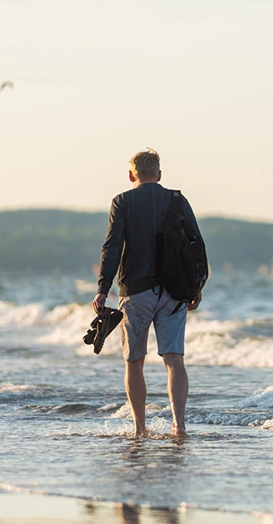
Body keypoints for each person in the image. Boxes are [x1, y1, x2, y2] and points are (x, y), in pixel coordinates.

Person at [92, 148, 203, 437]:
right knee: (175, 360)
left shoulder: (122, 202)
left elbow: (112, 247)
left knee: (134, 361)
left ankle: (140, 429)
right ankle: (179, 426)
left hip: (136, 291)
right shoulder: (177, 200)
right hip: (175, 292)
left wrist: (103, 289)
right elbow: (197, 245)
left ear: (132, 175)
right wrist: (197, 287)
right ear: (160, 174)